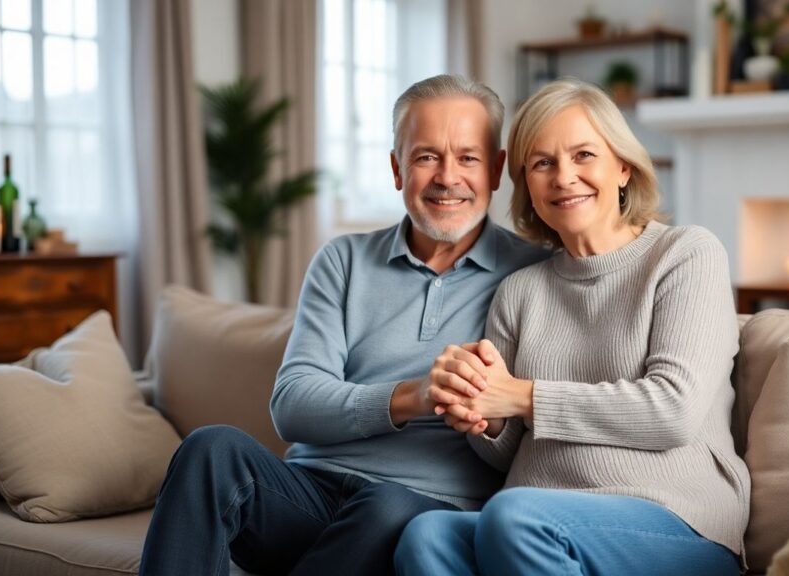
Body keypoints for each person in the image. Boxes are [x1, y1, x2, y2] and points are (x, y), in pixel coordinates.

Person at [138, 75, 548, 576]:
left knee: (390, 508)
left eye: (467, 157)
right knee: (210, 449)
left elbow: (523, 440)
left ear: (497, 170)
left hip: (426, 512)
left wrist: (489, 410)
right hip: (308, 496)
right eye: (425, 157)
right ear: (397, 169)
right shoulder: (344, 260)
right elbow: (292, 404)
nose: (447, 177)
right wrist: (412, 396)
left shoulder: (532, 276)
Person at [395, 78, 750, 576]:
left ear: (623, 167)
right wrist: (480, 409)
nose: (564, 177)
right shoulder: (520, 290)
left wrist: (519, 396)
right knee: (428, 534)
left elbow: (674, 410)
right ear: (526, 185)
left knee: (514, 517)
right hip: (534, 518)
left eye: (584, 155)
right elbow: (504, 453)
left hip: (675, 520)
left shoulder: (685, 255)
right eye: (542, 163)